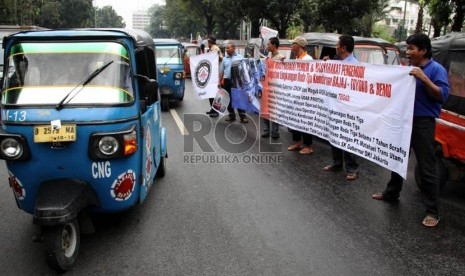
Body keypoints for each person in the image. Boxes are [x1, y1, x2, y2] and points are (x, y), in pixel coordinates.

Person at [372, 33, 450, 228]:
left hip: (423, 123)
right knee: (397, 158)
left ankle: (433, 211)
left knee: (427, 167)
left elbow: (442, 96)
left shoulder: (436, 70)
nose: (408, 52)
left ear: (423, 50)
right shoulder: (407, 69)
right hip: (403, 121)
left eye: (412, 49)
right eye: (407, 48)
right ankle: (391, 193)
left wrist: (424, 78)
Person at [322, 35, 360, 181]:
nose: (335, 47)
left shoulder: (355, 65)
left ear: (343, 48)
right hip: (335, 106)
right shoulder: (336, 63)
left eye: (337, 44)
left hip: (347, 108)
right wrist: (326, 64)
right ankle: (337, 163)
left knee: (347, 137)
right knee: (334, 134)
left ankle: (352, 168)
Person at [287, 36, 314, 154]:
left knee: (304, 120)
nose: (292, 46)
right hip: (296, 94)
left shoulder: (307, 59)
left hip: (304, 96)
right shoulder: (297, 58)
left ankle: (309, 145)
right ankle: (297, 142)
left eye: (293, 44)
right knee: (295, 119)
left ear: (298, 45)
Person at [261, 37, 284, 139]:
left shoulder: (281, 58)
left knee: (274, 110)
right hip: (266, 87)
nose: (267, 46)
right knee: (265, 109)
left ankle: (275, 132)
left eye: (269, 44)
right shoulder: (268, 57)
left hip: (275, 88)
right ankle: (266, 130)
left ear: (274, 45)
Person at [221, 42, 248, 123]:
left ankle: (243, 116)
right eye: (226, 48)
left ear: (233, 48)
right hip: (227, 81)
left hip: (237, 81)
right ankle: (231, 116)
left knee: (238, 98)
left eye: (228, 48)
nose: (226, 49)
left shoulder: (240, 57)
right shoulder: (224, 59)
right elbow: (222, 71)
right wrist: (219, 81)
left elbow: (244, 70)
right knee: (228, 99)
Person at [206, 35, 223, 118]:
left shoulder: (215, 49)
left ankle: (215, 111)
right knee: (210, 93)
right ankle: (212, 109)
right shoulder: (211, 49)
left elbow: (220, 58)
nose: (207, 43)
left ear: (210, 42)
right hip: (211, 74)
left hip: (215, 74)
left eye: (208, 41)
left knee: (214, 93)